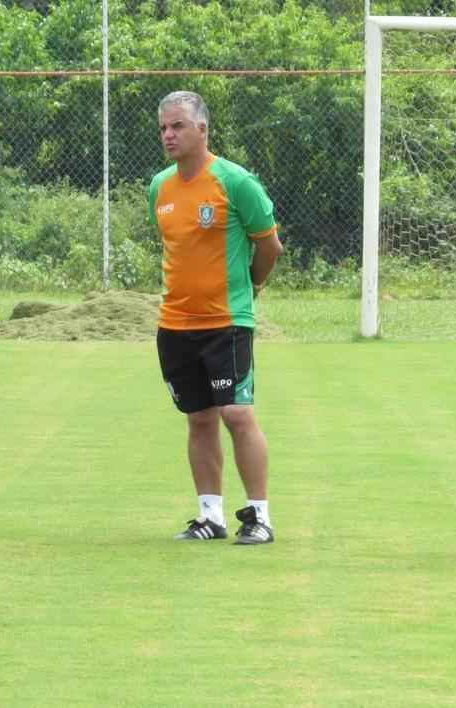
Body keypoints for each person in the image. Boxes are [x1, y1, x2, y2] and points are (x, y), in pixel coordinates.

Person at [148, 91, 285, 545]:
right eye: (164, 127)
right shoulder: (160, 187)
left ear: (202, 129)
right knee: (199, 419)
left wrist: (252, 287)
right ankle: (211, 516)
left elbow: (269, 246)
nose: (169, 134)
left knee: (237, 413)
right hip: (175, 325)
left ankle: (260, 517)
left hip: (226, 323)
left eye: (178, 126)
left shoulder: (235, 182)